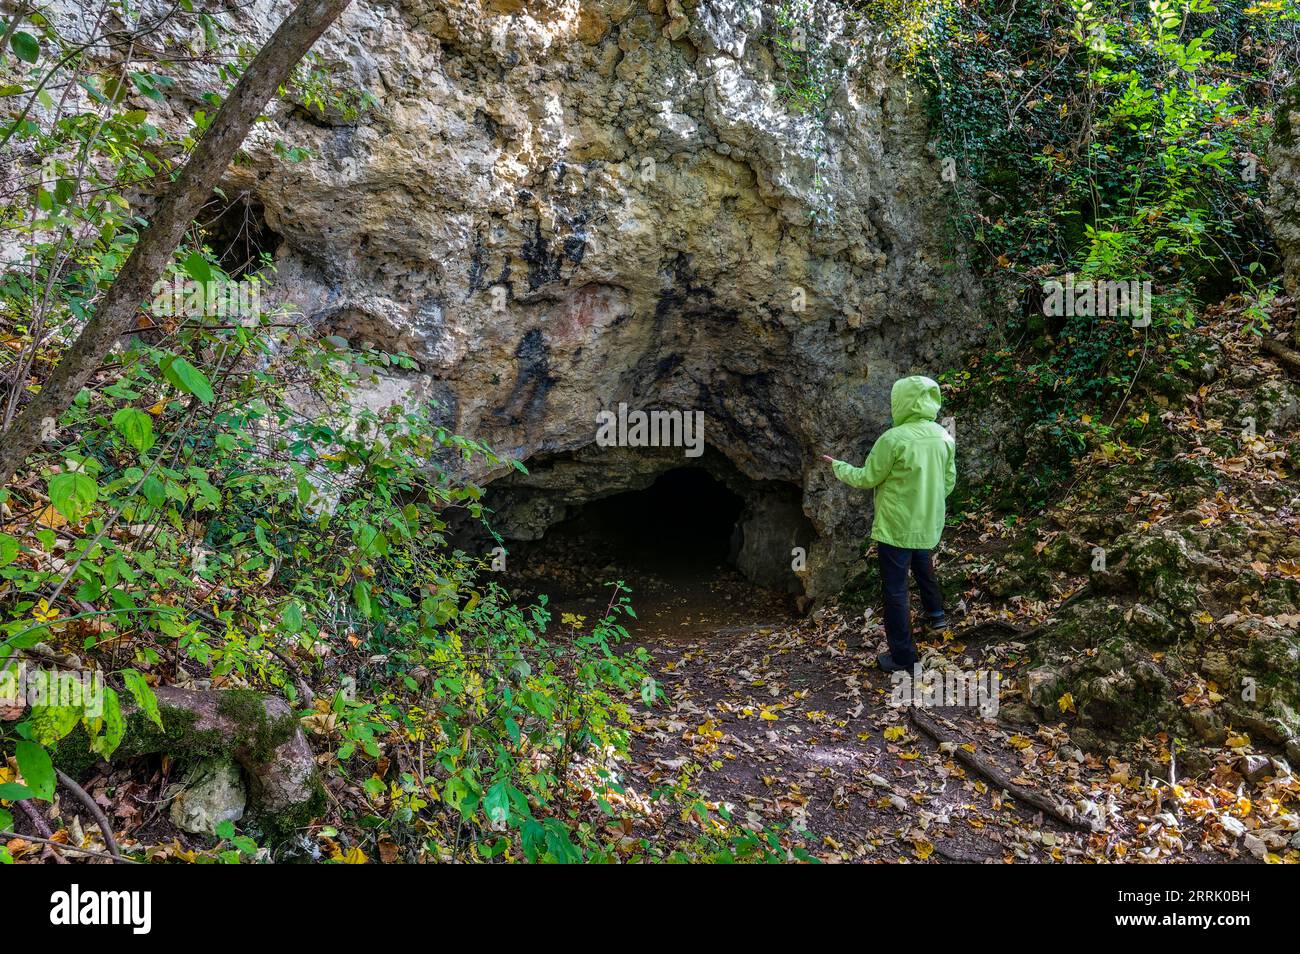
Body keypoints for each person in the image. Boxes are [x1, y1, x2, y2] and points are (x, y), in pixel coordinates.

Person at [822, 375, 956, 673]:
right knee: (924, 567)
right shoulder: (944, 437)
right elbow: (948, 482)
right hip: (927, 522)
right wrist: (927, 500)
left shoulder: (893, 439)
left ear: (902, 401)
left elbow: (867, 478)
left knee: (896, 591)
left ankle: (903, 657)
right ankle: (936, 615)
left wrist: (837, 466)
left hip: (897, 527)